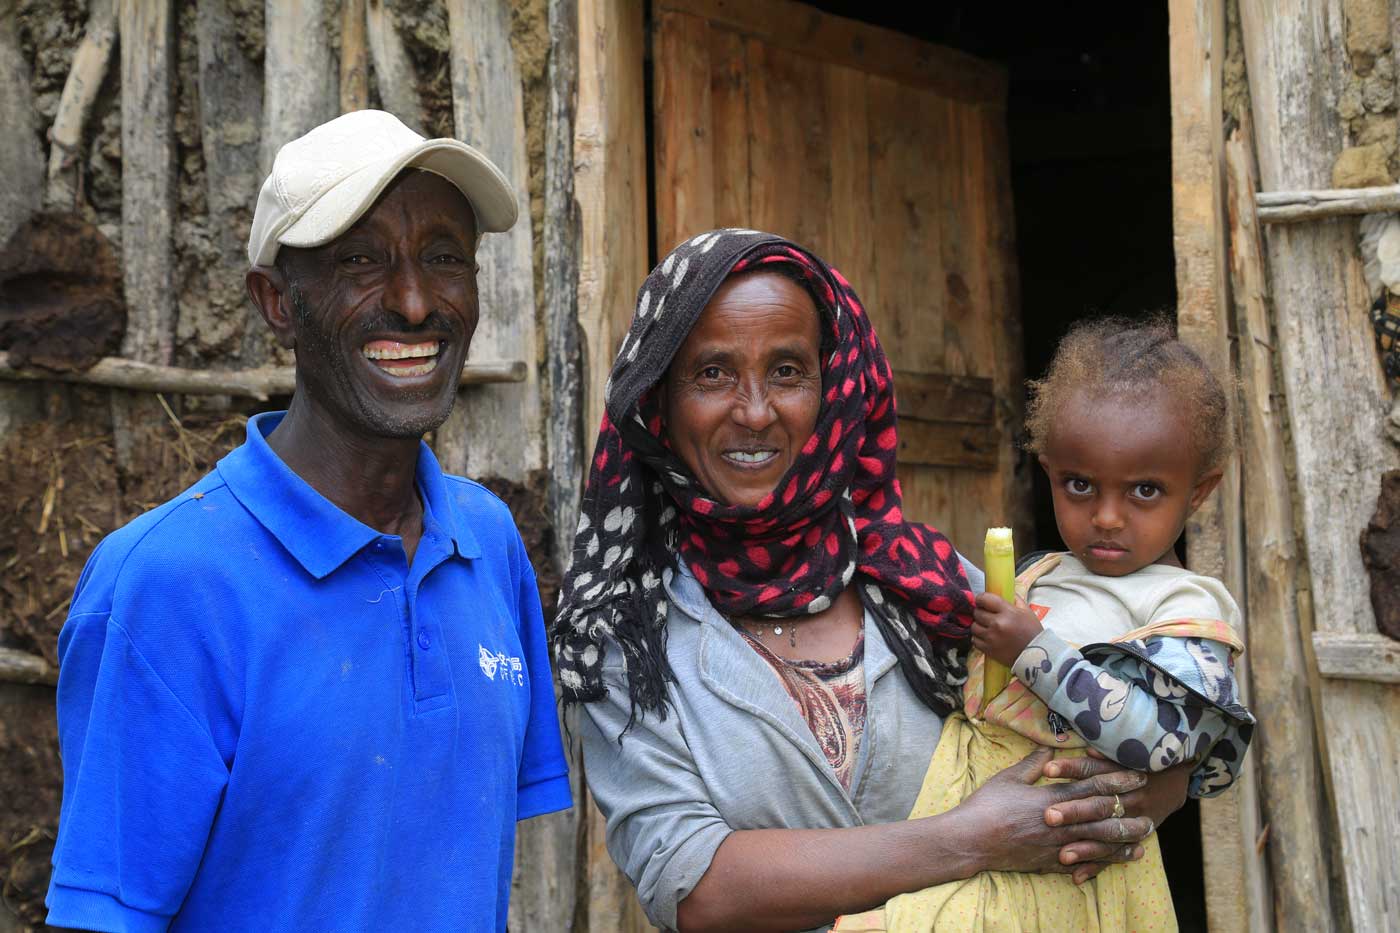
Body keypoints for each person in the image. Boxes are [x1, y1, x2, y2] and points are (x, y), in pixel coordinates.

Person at [552, 230, 1192, 933]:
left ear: (834, 387)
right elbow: (694, 882)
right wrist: (972, 835)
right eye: (712, 373)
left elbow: (1155, 757)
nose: (756, 410)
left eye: (788, 371)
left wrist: (1110, 794)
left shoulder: (933, 585)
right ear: (660, 402)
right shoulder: (623, 638)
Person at [45, 110, 571, 932]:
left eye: (444, 257)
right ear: (276, 303)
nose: (413, 300)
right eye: (361, 260)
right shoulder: (165, 583)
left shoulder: (486, 541)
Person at [835, 317, 1255, 931]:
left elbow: (1160, 742)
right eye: (1079, 484)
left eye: (1144, 490)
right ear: (1049, 470)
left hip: (1071, 851)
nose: (1107, 517)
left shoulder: (1184, 607)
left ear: (1197, 492)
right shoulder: (1040, 576)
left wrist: (1036, 650)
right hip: (968, 811)